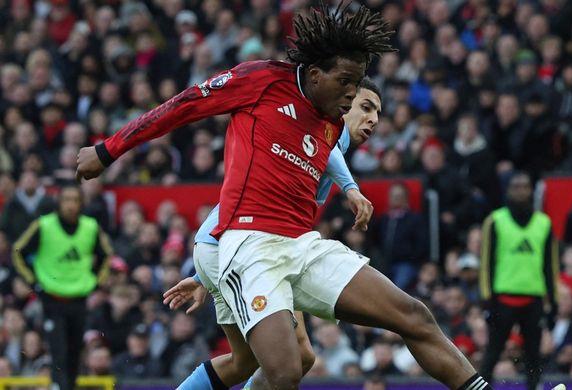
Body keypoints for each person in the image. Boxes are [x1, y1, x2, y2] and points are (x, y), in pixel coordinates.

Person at [77, 4, 490, 390]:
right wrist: (107, 150)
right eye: (345, 83)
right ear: (313, 74)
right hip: (247, 248)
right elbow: (184, 106)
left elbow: (330, 159)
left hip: (301, 244)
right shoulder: (262, 81)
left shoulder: (330, 124)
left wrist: (350, 188)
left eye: (357, 85)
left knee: (414, 315)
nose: (350, 97)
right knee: (286, 369)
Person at [166, 78, 384, 389]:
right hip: (234, 246)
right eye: (364, 107)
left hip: (238, 247)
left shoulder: (324, 141)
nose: (373, 119)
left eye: (377, 113)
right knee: (290, 358)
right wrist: (351, 188)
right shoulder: (320, 130)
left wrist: (204, 276)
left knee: (256, 361)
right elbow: (330, 149)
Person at [11, 185, 112, 390]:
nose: (71, 205)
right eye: (66, 200)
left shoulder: (90, 227)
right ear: (58, 203)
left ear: (81, 203)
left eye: (75, 200)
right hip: (52, 298)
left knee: (75, 352)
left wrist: (96, 282)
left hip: (79, 298)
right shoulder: (44, 225)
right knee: (59, 351)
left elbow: (107, 255)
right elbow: (18, 251)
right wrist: (33, 283)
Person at [478, 172, 558, 389]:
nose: (521, 191)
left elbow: (550, 266)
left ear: (532, 190)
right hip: (502, 299)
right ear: (508, 190)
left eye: (525, 186)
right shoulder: (495, 220)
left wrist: (554, 302)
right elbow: (486, 263)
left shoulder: (544, 222)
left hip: (534, 299)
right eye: (516, 186)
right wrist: (487, 300)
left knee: (533, 357)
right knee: (491, 356)